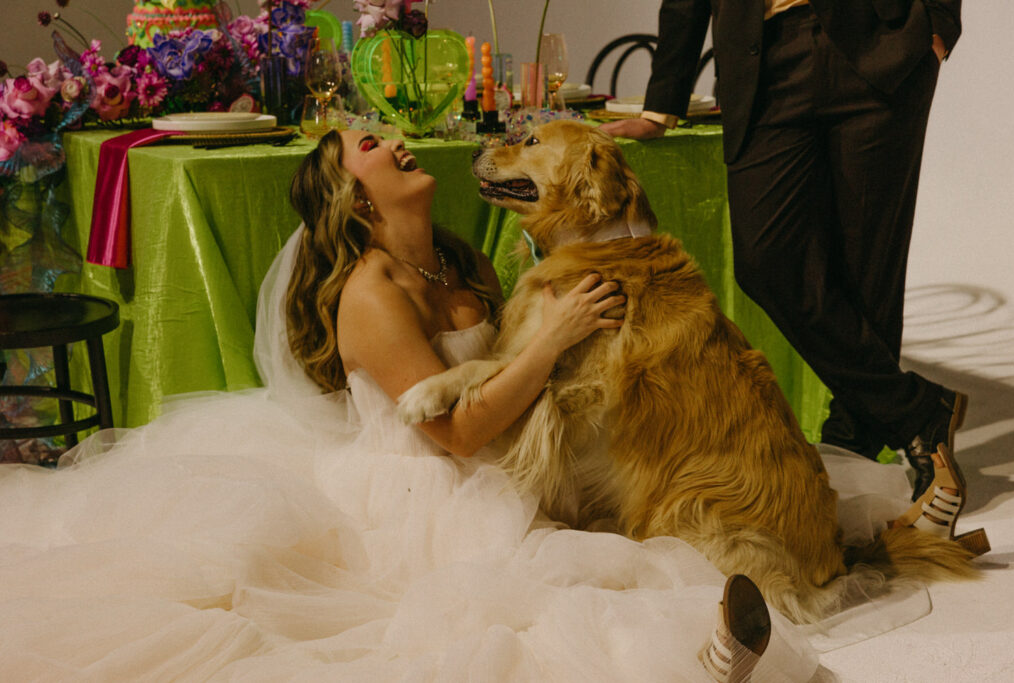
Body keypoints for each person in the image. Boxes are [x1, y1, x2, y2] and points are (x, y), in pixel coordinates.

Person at [0, 128, 864, 681]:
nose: (400, 144)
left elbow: (501, 380)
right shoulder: (373, 292)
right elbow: (456, 429)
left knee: (616, 541)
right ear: (356, 196)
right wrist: (553, 339)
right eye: (373, 145)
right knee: (538, 611)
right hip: (436, 487)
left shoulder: (458, 262)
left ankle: (711, 641)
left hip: (502, 461)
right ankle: (705, 659)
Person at [601, 0, 965, 503]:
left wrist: (939, 21)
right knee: (766, 260)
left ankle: (855, 449)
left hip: (881, 37)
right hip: (763, 55)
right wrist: (662, 103)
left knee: (870, 264)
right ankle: (914, 410)